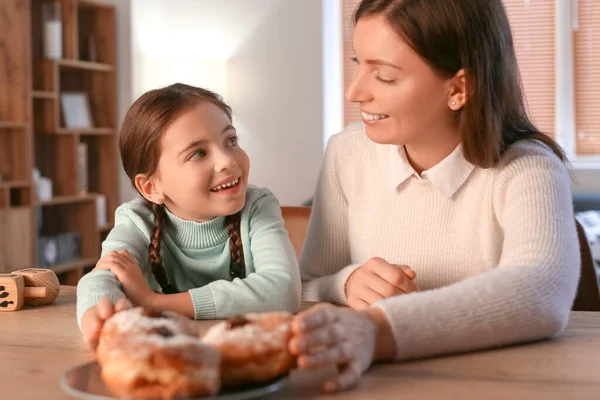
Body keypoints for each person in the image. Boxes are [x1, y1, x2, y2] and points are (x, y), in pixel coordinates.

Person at [291, 0, 580, 393]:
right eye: (358, 62)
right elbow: (306, 284)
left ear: (459, 88)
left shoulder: (530, 169)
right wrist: (346, 283)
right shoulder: (346, 153)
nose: (353, 91)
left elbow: (541, 292)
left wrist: (374, 331)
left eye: (385, 76)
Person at [77, 83, 301, 350]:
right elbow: (102, 276)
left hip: (248, 352)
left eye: (231, 141)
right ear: (151, 187)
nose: (227, 161)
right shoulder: (137, 220)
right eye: (198, 153)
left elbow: (283, 290)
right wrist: (98, 315)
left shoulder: (258, 207)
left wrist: (154, 302)